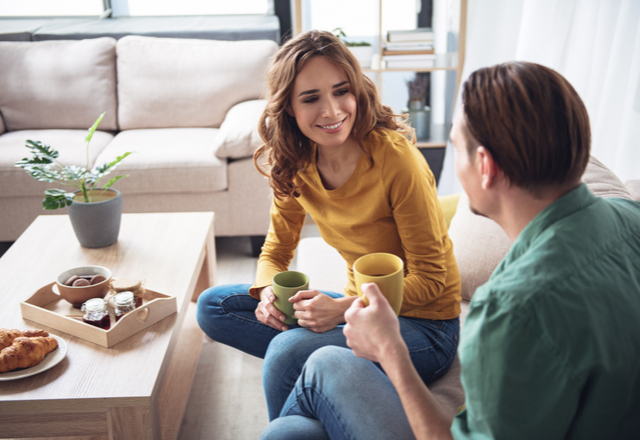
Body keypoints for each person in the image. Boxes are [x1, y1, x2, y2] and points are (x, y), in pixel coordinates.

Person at [260, 61, 640, 440]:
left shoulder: (509, 311)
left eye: (456, 148)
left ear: (485, 167)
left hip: (435, 357)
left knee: (313, 379)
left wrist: (391, 350)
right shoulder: (630, 216)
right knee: (292, 431)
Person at [196, 30, 462, 420]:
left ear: (357, 89)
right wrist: (269, 291)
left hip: (425, 328)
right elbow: (275, 251)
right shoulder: (295, 161)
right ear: (287, 106)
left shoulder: (396, 161)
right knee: (214, 306)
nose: (332, 111)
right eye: (311, 98)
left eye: (342, 91)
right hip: (355, 308)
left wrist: (340, 310)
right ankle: (324, 393)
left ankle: (297, 414)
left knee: (287, 353)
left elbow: (433, 281)